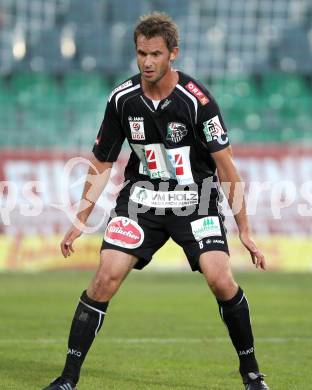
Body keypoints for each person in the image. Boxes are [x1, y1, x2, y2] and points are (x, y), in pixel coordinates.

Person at [43, 12, 269, 390]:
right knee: (104, 279)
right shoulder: (122, 100)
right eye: (141, 54)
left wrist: (245, 229)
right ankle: (67, 380)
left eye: (156, 54)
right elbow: (101, 162)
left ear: (173, 54)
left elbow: (227, 168)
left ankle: (251, 375)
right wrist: (79, 220)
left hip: (195, 199)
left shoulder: (197, 102)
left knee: (220, 277)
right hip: (141, 201)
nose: (147, 62)